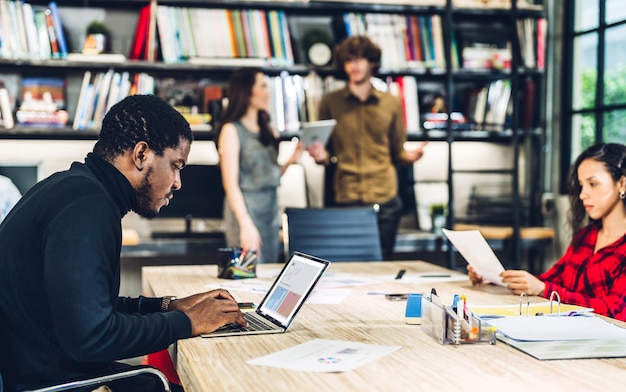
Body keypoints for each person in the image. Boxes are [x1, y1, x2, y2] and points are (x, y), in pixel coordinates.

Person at [0, 95, 247, 392]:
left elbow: (83, 306)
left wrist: (169, 306)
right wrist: (188, 322)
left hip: (48, 372)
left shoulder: (71, 188)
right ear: (141, 154)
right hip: (56, 384)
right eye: (176, 165)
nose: (178, 182)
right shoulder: (87, 206)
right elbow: (92, 336)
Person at [468, 142, 626, 321]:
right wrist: (497, 279)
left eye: (593, 184)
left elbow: (614, 311)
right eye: (581, 185)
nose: (583, 194)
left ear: (622, 183)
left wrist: (544, 289)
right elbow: (551, 280)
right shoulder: (585, 236)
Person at [307, 35, 428, 260]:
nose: (354, 65)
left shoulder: (390, 103)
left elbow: (396, 150)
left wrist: (410, 156)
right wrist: (321, 156)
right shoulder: (330, 102)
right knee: (347, 264)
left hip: (384, 196)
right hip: (346, 196)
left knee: (382, 265)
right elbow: (327, 152)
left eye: (360, 59)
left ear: (371, 62)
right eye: (349, 60)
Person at [216, 68, 302, 263]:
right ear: (247, 91)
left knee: (268, 273)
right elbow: (230, 183)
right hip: (246, 211)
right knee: (246, 272)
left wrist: (291, 160)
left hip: (270, 212)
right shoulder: (231, 130)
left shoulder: (269, 129)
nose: (268, 92)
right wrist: (245, 224)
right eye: (262, 86)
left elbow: (270, 175)